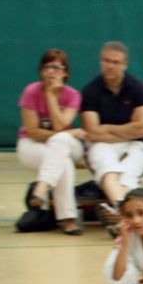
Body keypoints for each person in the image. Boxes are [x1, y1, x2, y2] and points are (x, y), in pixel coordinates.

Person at [80, 42, 143, 235]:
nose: (110, 66)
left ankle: (121, 218)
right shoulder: (90, 91)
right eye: (106, 61)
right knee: (109, 172)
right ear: (100, 62)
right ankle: (129, 219)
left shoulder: (139, 88)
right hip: (100, 144)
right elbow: (92, 132)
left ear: (125, 64)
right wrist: (128, 128)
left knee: (127, 177)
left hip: (136, 144)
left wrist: (107, 128)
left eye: (116, 62)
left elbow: (142, 129)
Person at [16, 49, 87, 235]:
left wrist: (51, 96)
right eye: (47, 67)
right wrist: (68, 132)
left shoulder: (73, 95)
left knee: (61, 140)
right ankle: (68, 219)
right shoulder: (31, 91)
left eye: (56, 67)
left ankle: (42, 187)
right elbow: (33, 132)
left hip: (67, 145)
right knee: (63, 162)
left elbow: (60, 125)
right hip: (32, 145)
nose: (51, 72)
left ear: (65, 72)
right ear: (41, 71)